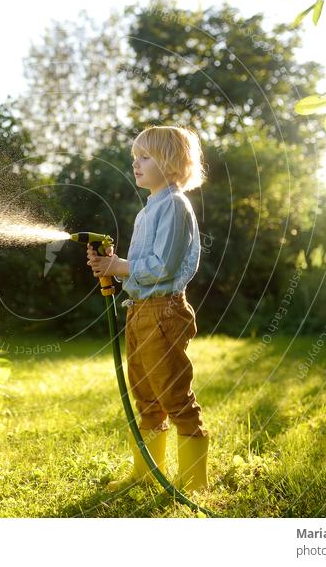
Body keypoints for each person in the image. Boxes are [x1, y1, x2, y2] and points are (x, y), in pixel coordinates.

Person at [86, 125, 209, 493]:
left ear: (170, 163)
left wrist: (120, 267)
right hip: (140, 310)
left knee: (173, 394)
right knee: (145, 395)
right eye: (134, 158)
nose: (135, 164)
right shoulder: (150, 209)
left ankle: (193, 483)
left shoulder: (173, 204)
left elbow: (163, 267)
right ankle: (145, 473)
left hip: (164, 313)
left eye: (144, 157)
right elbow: (141, 269)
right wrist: (114, 265)